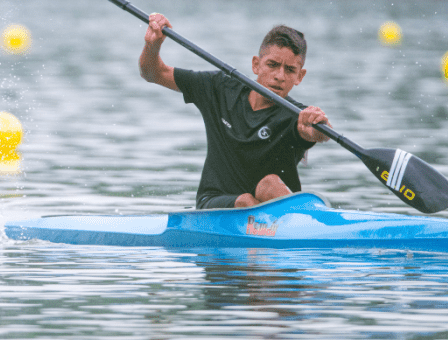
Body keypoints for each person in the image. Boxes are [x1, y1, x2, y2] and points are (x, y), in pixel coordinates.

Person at [139, 14, 332, 209]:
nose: (279, 76)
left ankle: (303, 219)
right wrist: (152, 45)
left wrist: (320, 126)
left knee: (269, 184)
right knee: (245, 201)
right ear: (256, 65)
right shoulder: (219, 87)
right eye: (272, 65)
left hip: (273, 210)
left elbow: (317, 133)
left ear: (300, 76)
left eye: (289, 70)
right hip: (214, 203)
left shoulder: (297, 116)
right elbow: (153, 73)